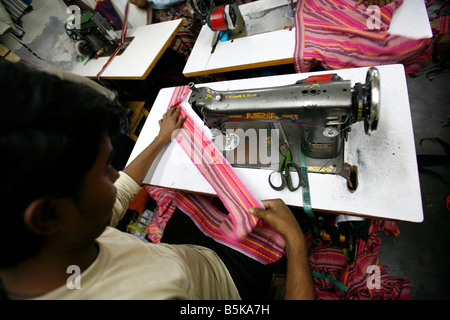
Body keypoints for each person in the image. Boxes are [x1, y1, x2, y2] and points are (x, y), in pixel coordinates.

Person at [0, 61, 314, 300]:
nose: (115, 175)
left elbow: (123, 187)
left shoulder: (56, 240)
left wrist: (162, 138)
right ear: (48, 215)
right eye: (103, 171)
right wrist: (295, 241)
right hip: (231, 284)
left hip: (183, 256)